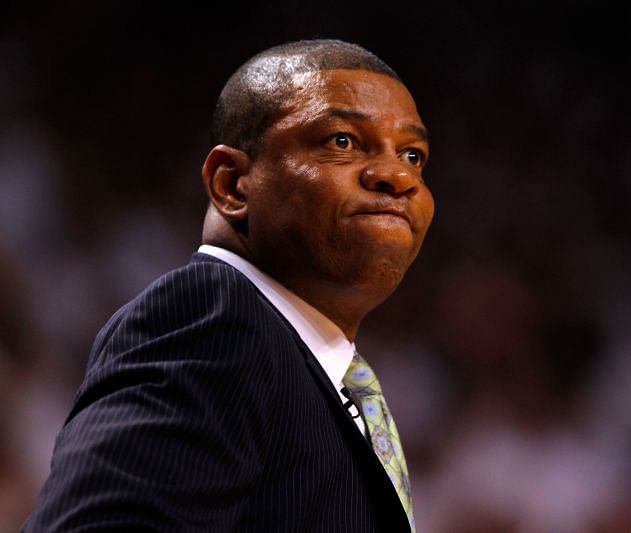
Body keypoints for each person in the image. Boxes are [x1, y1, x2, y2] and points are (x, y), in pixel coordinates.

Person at [23, 39, 434, 532]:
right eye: (342, 141)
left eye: (413, 154)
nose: (397, 175)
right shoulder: (212, 323)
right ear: (233, 183)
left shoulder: (307, 365)